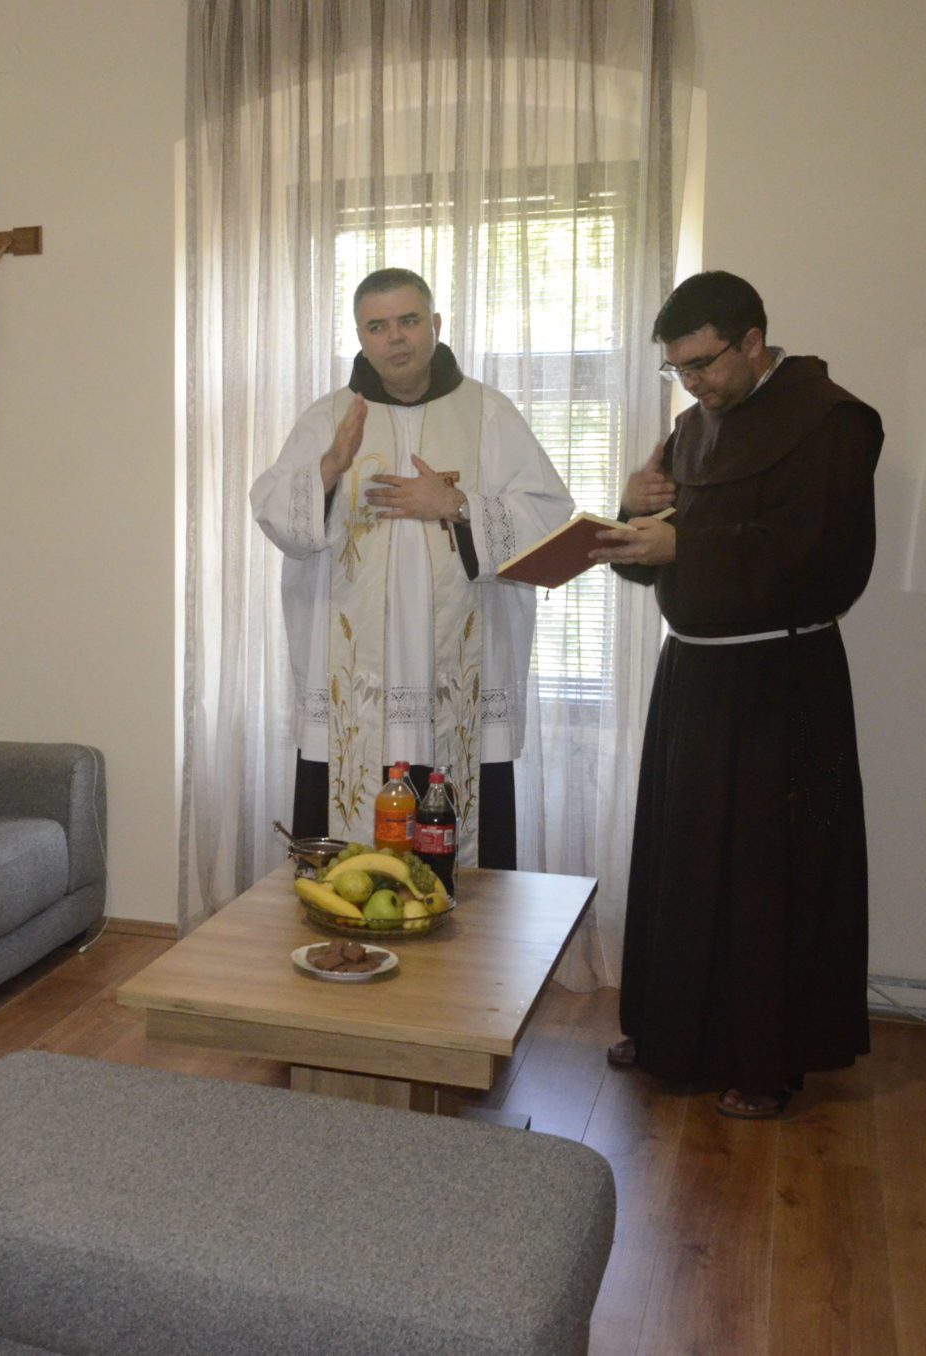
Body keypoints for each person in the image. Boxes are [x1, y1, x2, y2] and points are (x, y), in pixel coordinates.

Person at [593, 271, 880, 1119]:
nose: (692, 384)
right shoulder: (692, 428)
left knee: (765, 877)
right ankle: (671, 1034)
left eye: (703, 364)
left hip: (780, 683)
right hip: (693, 677)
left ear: (752, 342)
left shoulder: (832, 421)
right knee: (681, 863)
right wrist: (630, 510)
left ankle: (764, 1062)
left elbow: (818, 555)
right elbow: (659, 553)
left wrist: (682, 543)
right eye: (677, 368)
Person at [251, 267, 573, 865]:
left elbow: (551, 517)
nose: (395, 337)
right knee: (349, 872)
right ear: (360, 337)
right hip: (354, 686)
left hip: (455, 675)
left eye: (408, 320)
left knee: (463, 861)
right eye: (377, 326)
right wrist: (328, 469)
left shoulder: (488, 413)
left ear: (435, 324)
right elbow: (274, 517)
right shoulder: (328, 418)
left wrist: (455, 505)